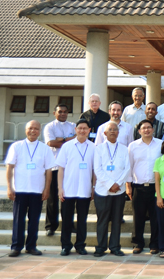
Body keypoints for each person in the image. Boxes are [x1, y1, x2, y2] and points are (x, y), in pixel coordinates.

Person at [5, 120, 55, 257]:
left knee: (34, 220)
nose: (33, 131)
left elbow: (49, 171)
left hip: (37, 190)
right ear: (25, 130)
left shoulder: (45, 148)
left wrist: (47, 189)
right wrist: (9, 187)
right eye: (30, 128)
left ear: (40, 131)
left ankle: (31, 246)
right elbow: (9, 167)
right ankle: (16, 246)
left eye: (36, 129)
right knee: (18, 220)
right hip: (19, 190)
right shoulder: (17, 146)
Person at [56, 119, 95, 256]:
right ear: (75, 130)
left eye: (85, 128)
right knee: (66, 219)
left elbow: (94, 170)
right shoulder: (67, 146)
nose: (82, 131)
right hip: (68, 189)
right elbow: (61, 169)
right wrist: (60, 188)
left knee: (82, 220)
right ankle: (66, 246)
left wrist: (93, 187)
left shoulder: (93, 147)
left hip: (84, 189)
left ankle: (80, 245)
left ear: (89, 130)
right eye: (80, 128)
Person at [93, 122, 131, 257]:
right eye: (110, 130)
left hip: (119, 191)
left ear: (118, 133)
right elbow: (97, 169)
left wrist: (118, 184)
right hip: (102, 191)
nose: (113, 132)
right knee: (102, 220)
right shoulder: (98, 149)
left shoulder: (124, 149)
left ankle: (115, 246)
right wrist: (110, 184)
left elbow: (127, 168)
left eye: (115, 130)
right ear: (104, 133)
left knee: (116, 220)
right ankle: (100, 247)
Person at [127, 120, 162, 255]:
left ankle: (155, 244)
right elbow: (129, 166)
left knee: (155, 217)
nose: (146, 130)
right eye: (143, 128)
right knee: (138, 217)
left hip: (156, 187)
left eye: (149, 127)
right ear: (139, 131)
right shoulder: (133, 146)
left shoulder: (160, 144)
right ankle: (137, 243)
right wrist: (128, 186)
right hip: (138, 186)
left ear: (153, 129)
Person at [43, 104, 76, 236]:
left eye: (65, 112)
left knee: (68, 198)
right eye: (60, 112)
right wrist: (68, 140)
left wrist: (60, 140)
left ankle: (69, 225)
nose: (62, 114)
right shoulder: (50, 127)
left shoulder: (73, 125)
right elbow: (51, 143)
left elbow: (76, 140)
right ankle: (51, 226)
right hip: (54, 166)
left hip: (69, 167)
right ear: (54, 113)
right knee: (52, 198)